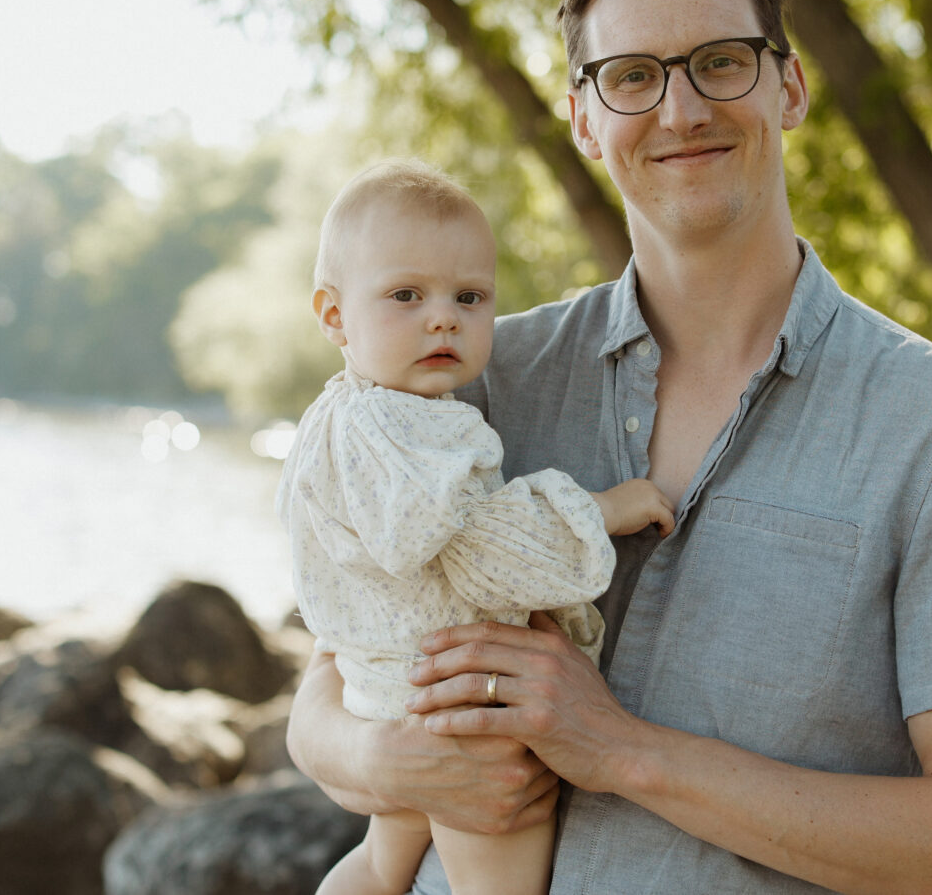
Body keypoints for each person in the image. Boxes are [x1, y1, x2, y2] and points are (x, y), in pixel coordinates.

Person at [288, 0, 932, 895]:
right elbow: (334, 665)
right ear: (584, 118)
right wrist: (388, 768)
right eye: (632, 76)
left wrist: (621, 750)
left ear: (786, 86)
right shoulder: (472, 376)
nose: (680, 109)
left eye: (720, 62)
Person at [277, 159, 675, 895]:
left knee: (377, 864)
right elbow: (490, 550)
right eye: (406, 295)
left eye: (469, 297)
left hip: (384, 690)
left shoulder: (330, 421)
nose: (443, 317)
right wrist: (605, 510)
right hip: (459, 708)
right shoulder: (423, 430)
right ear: (333, 315)